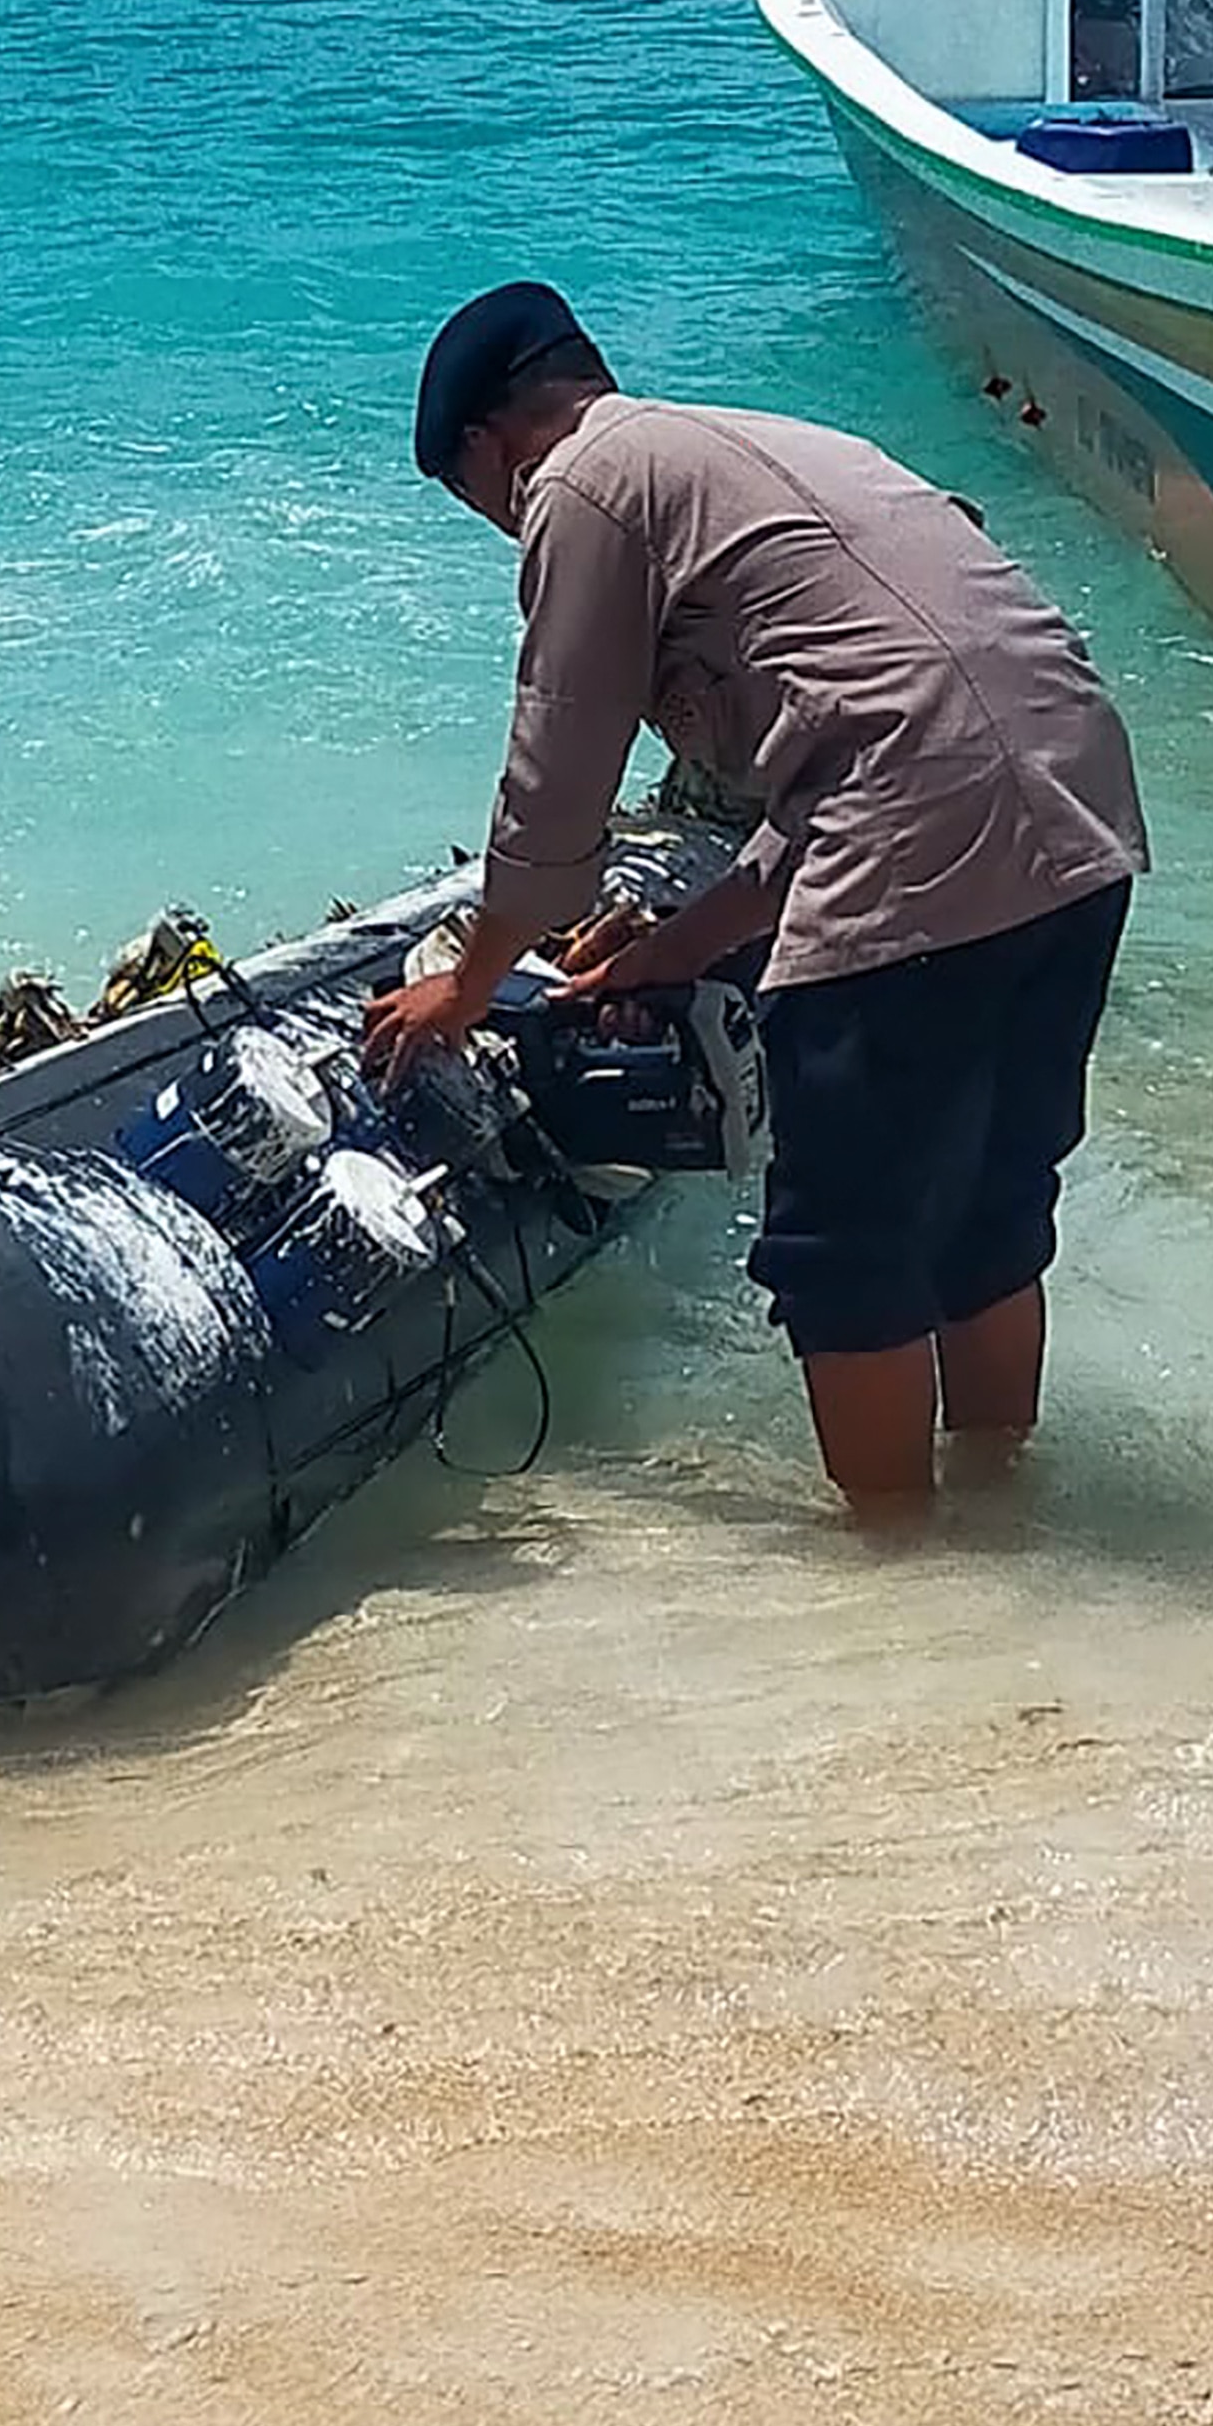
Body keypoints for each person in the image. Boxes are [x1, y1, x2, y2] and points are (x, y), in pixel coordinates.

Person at [361, 281, 1145, 1522]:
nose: (496, 525)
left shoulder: (578, 483)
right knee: (987, 1213)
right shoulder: (766, 449)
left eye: (471, 499)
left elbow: (557, 773)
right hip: (1077, 813)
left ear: (487, 444)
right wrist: (677, 946)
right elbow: (877, 730)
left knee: (845, 1255)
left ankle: (895, 1569)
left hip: (920, 831)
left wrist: (467, 983)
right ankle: (1005, 1522)